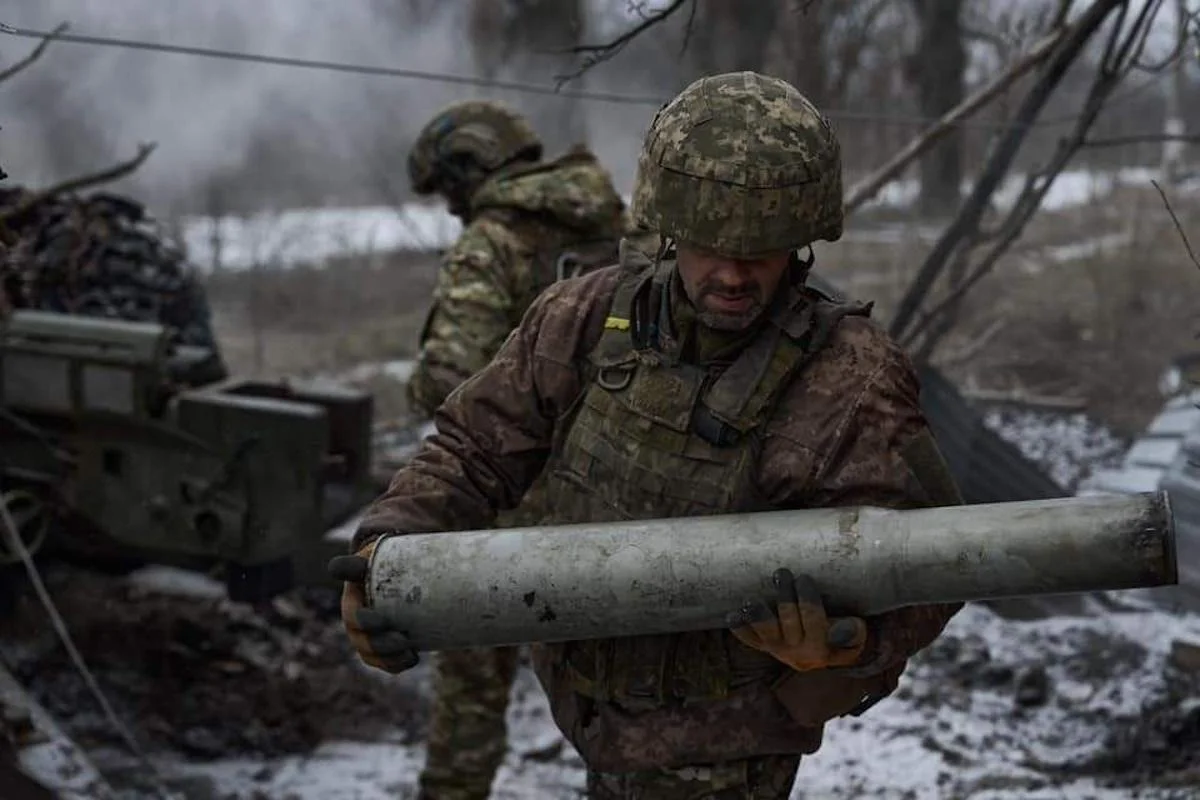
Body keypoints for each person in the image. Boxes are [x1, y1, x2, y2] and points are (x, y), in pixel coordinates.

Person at [333, 71, 964, 799]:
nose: (731, 273)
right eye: (708, 242)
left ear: (802, 237)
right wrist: (386, 545)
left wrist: (846, 648)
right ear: (668, 224)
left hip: (727, 740)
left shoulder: (851, 375)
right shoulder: (583, 316)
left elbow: (931, 561)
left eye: (761, 248)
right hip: (593, 707)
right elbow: (471, 444)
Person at [401, 99, 633, 800]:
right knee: (624, 701)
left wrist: (420, 384)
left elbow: (451, 377)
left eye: (449, 188)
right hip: (618, 499)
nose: (450, 207)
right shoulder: (615, 226)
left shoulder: (493, 242)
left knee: (471, 690)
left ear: (472, 168)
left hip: (508, 508)